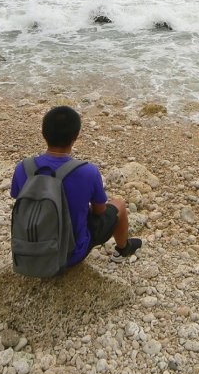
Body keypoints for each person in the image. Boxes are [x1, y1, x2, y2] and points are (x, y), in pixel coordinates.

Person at [10, 105, 141, 269]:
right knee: (119, 205)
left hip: (27, 251)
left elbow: (18, 199)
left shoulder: (23, 168)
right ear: (76, 136)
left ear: (43, 134)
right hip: (69, 255)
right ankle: (122, 250)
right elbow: (100, 211)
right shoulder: (88, 171)